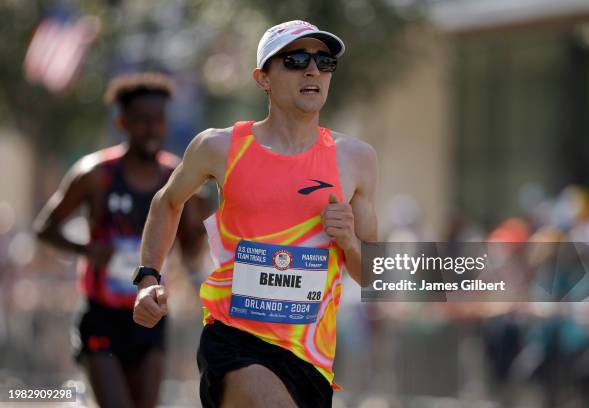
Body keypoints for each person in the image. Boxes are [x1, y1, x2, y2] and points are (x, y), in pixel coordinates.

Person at [133, 20, 378, 408]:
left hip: (311, 358)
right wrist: (148, 276)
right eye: (296, 60)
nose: (312, 70)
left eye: (323, 61)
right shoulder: (219, 147)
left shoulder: (355, 159)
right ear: (263, 78)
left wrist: (348, 241)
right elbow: (167, 201)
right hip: (234, 339)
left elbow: (372, 275)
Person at [34, 72, 205, 408]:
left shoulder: (177, 180)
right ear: (123, 122)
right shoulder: (96, 174)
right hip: (101, 315)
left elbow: (190, 249)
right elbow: (45, 227)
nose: (152, 130)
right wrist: (85, 250)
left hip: (151, 316)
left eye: (158, 120)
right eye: (142, 121)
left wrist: (197, 225)